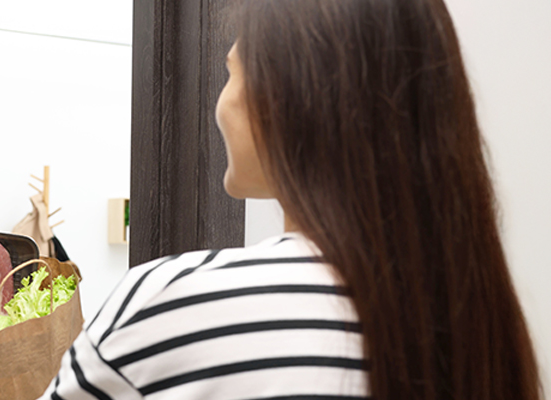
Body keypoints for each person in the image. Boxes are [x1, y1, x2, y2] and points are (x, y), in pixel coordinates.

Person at [41, 0, 542, 399]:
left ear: (288, 99)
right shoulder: (484, 329)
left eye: (232, 71)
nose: (222, 102)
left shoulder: (171, 303)